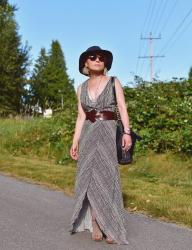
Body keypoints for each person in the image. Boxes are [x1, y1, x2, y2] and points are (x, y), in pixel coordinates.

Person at [69, 46, 132, 245]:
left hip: (107, 132)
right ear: (85, 63)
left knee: (107, 177)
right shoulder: (81, 88)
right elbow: (80, 117)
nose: (98, 60)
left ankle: (110, 225)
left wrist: (127, 133)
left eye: (101, 57)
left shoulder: (114, 82)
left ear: (105, 63)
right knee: (87, 178)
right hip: (88, 133)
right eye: (93, 57)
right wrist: (74, 141)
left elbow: (122, 107)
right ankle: (95, 222)